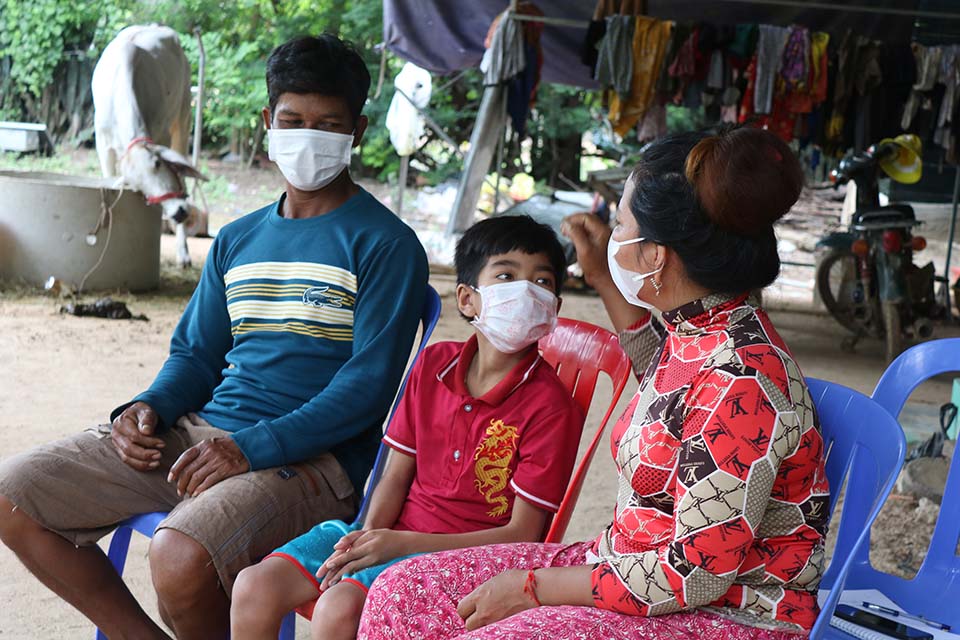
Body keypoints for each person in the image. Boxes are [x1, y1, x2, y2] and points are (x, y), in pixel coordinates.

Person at [0, 34, 428, 640]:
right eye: (292, 120)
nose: (307, 136)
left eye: (328, 124)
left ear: (357, 130)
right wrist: (150, 407)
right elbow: (196, 356)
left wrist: (252, 447)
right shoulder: (237, 239)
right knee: (15, 494)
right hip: (204, 437)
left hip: (316, 463)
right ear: (266, 123)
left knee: (177, 556)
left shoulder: (385, 244)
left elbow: (368, 387)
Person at [355, 126, 830, 640]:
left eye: (621, 224)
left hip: (725, 614)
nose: (614, 236)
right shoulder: (699, 332)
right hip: (628, 566)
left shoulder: (743, 381)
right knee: (402, 592)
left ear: (656, 255)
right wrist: (603, 272)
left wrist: (534, 587)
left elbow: (693, 576)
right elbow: (661, 373)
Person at [229, 215, 586, 640]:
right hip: (389, 535)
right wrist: (367, 539)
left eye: (542, 282)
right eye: (506, 275)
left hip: (468, 559)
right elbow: (395, 474)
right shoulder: (435, 365)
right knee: (253, 586)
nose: (526, 291)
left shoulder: (549, 406)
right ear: (467, 299)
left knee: (337, 608)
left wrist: (397, 546)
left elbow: (524, 534)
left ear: (554, 309)